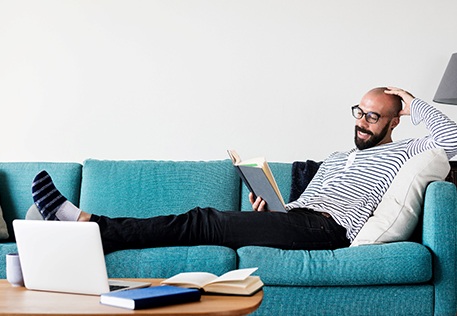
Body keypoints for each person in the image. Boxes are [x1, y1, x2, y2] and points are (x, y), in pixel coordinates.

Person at [30, 87, 457, 254]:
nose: (362, 122)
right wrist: (273, 206)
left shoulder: (408, 149)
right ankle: (87, 230)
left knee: (205, 220)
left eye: (374, 117)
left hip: (328, 231)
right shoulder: (336, 156)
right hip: (297, 219)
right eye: (359, 112)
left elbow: (453, 143)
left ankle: (91, 227)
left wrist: (413, 100)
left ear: (394, 121)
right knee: (206, 220)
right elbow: (306, 204)